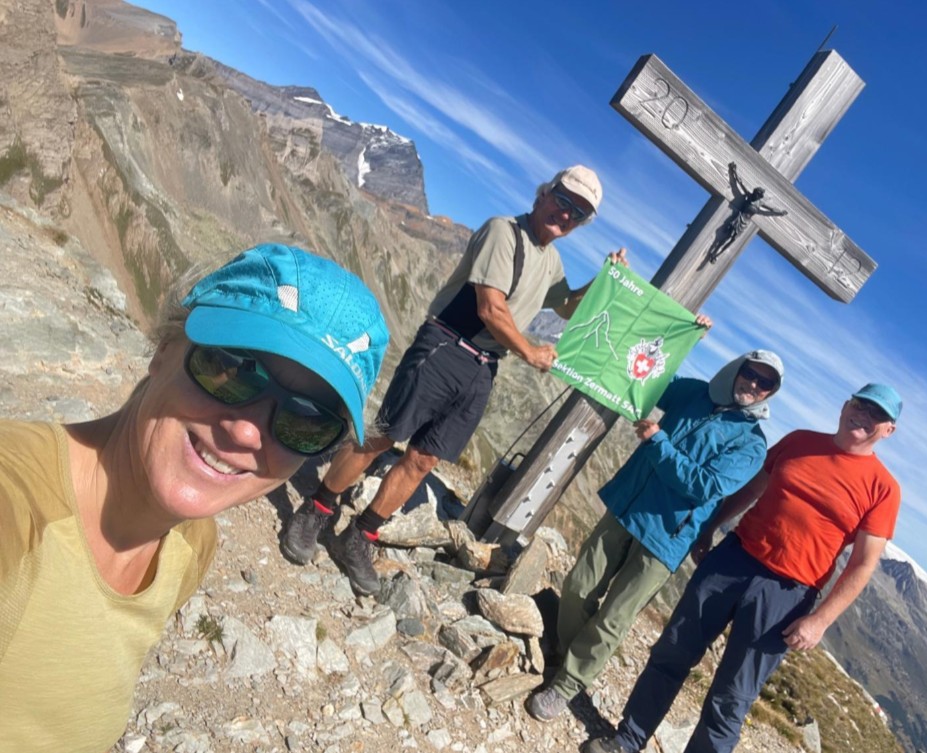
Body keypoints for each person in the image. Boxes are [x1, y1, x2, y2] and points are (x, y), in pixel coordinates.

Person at [0, 244, 388, 753]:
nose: (249, 433)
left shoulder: (191, 544)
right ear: (164, 350)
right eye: (230, 369)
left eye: (307, 422)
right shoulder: (18, 504)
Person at [280, 165, 626, 595]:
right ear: (545, 193)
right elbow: (490, 307)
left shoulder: (551, 261)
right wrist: (529, 351)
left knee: (424, 459)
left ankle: (360, 537)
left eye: (578, 212)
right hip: (446, 345)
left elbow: (567, 308)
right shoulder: (504, 233)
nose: (566, 214)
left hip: (483, 368)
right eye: (564, 200)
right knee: (383, 437)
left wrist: (604, 280)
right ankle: (316, 510)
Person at [583, 383, 902, 753]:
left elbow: (863, 565)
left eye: (877, 414)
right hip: (734, 559)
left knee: (732, 696)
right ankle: (627, 739)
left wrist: (820, 620)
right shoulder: (799, 441)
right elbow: (752, 489)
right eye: (861, 405)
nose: (864, 416)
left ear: (889, 430)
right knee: (672, 651)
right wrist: (709, 529)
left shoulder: (884, 489)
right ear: (846, 405)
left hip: (787, 593)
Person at [526, 346, 785, 722]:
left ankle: (566, 686)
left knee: (614, 617)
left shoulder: (752, 445)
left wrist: (657, 442)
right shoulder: (696, 393)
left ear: (771, 393)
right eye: (751, 373)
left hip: (667, 537)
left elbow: (703, 486)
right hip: (627, 506)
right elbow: (648, 378)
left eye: (766, 382)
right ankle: (566, 657)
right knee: (579, 585)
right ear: (738, 369)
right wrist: (687, 335)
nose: (755, 384)